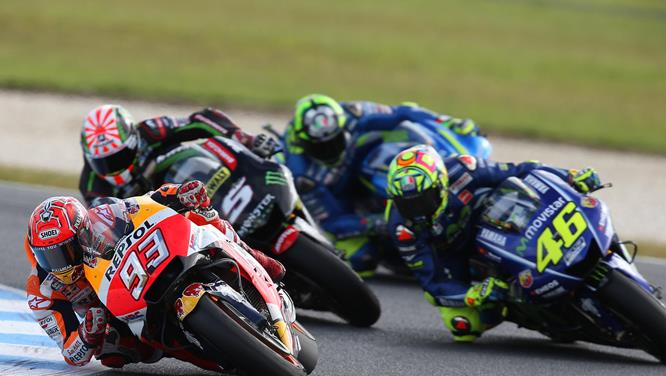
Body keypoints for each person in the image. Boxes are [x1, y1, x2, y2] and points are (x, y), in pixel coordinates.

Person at [25, 180, 285, 368]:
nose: (59, 265)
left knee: (198, 215)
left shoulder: (102, 216)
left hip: (143, 266)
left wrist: (180, 194)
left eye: (65, 252)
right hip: (113, 312)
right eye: (49, 256)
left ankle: (253, 255)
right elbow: (71, 353)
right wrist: (88, 334)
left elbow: (149, 201)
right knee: (113, 353)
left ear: (82, 234)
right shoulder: (41, 290)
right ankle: (206, 353)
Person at [384, 145, 604, 342]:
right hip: (455, 252)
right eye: (407, 205)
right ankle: (522, 309)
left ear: (440, 184)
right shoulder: (402, 228)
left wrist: (569, 176)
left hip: (495, 216)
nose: (417, 211)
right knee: (464, 326)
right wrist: (473, 294)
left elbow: (522, 170)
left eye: (423, 200)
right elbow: (432, 283)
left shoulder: (463, 169)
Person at [280, 93, 484, 275]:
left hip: (363, 163)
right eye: (322, 147)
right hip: (340, 199)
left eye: (336, 140)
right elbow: (333, 222)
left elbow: (404, 112)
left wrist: (449, 122)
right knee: (360, 258)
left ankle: (450, 164)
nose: (331, 150)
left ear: (342, 127)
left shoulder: (352, 114)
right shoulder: (301, 173)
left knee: (406, 130)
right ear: (303, 143)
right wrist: (380, 222)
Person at [79, 104, 278, 206]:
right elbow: (105, 225)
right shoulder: (91, 185)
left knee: (219, 146)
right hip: (168, 220)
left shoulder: (149, 131)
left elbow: (202, 119)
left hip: (201, 179)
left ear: (133, 139)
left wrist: (242, 137)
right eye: (104, 163)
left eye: (119, 156)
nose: (114, 166)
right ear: (89, 158)